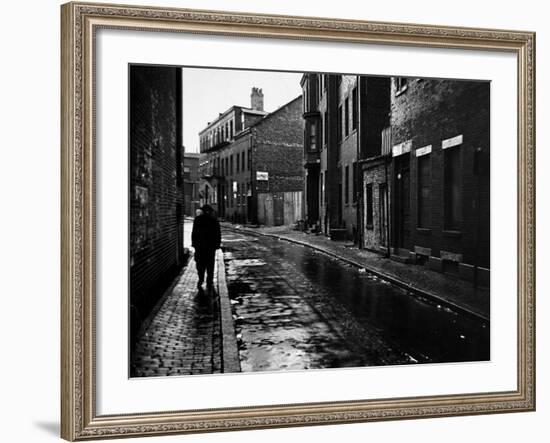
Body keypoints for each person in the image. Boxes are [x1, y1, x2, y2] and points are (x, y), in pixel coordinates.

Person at [191, 204, 221, 291]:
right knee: (210, 265)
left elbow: (194, 233)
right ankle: (209, 281)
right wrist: (217, 244)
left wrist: (194, 244)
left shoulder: (198, 219)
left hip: (200, 247)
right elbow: (218, 234)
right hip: (210, 247)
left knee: (200, 264)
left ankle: (201, 279)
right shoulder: (214, 220)